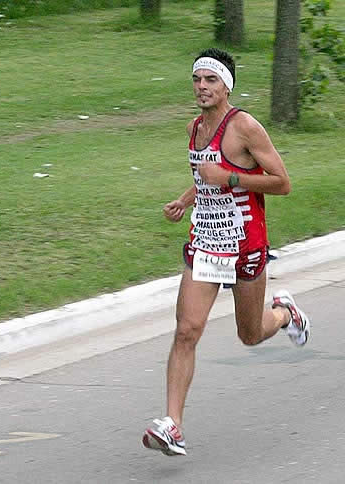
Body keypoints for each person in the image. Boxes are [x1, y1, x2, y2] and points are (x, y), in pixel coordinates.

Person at [142, 48, 310, 457]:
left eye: (211, 80)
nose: (201, 86)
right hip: (206, 242)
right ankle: (173, 425)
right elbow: (206, 177)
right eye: (197, 79)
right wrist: (185, 200)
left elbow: (282, 182)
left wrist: (231, 177)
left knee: (249, 334)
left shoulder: (245, 127)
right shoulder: (194, 128)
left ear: (227, 86)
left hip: (245, 244)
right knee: (186, 330)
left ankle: (284, 313)